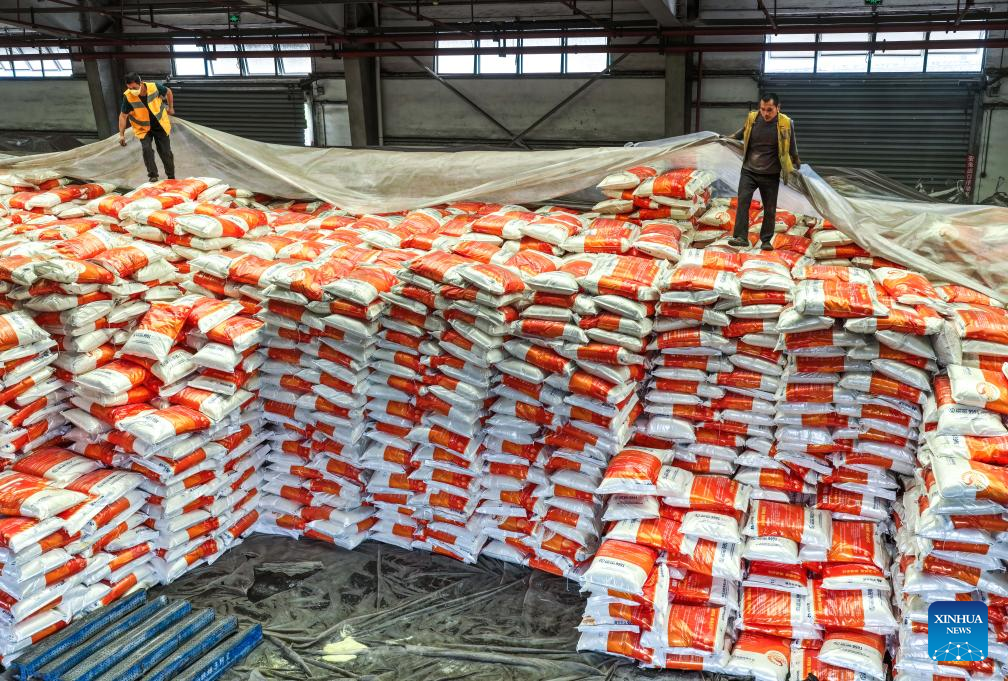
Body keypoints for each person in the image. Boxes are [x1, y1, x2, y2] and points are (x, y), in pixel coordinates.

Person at [726, 92, 801, 251]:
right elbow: (740, 133)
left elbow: (791, 143)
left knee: (770, 208)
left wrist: (795, 159)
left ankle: (766, 240)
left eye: (769, 110)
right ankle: (741, 237)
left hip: (771, 174)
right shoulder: (752, 118)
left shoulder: (786, 123)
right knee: (743, 202)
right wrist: (724, 139)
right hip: (749, 171)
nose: (765, 113)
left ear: (778, 108)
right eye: (762, 109)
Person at [118, 72, 175, 183]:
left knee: (165, 152)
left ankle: (171, 176)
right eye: (129, 88)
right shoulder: (128, 96)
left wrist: (171, 107)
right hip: (143, 128)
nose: (132, 90)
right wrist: (121, 135)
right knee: (146, 149)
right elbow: (123, 116)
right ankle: (153, 176)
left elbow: (168, 91)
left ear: (140, 83)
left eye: (134, 88)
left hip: (160, 125)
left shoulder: (154, 87)